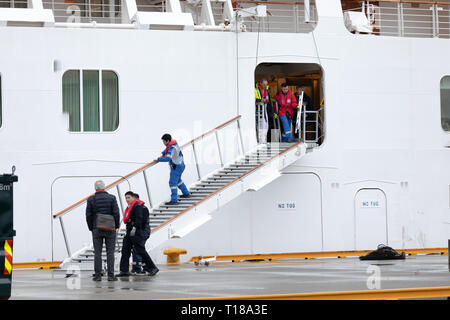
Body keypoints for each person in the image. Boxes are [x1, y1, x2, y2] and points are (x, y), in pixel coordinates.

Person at [117, 191, 159, 277]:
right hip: (129, 232)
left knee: (140, 250)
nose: (127, 199)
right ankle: (124, 270)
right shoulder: (129, 207)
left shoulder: (138, 206)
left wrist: (135, 228)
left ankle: (152, 267)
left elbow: (139, 219)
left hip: (136, 232)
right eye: (126, 198)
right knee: (125, 250)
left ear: (133, 198)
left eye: (128, 197)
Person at [85, 180, 121, 282]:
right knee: (110, 252)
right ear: (104, 187)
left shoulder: (91, 199)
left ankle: (97, 276)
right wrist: (116, 225)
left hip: (97, 228)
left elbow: (88, 215)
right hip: (110, 228)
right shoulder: (112, 198)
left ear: (95, 188)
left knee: (97, 253)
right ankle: (110, 276)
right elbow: (116, 213)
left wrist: (91, 227)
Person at [155, 134, 190, 205]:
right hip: (181, 165)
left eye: (164, 141)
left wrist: (158, 159)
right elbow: (167, 149)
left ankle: (174, 200)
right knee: (178, 181)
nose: (163, 143)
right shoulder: (174, 144)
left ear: (167, 141)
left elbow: (168, 158)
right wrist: (163, 153)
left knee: (172, 183)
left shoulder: (171, 148)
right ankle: (186, 193)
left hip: (176, 167)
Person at [128, 193, 150, 274]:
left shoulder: (142, 208)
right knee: (140, 250)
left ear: (136, 199)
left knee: (137, 250)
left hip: (143, 231)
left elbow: (142, 222)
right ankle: (145, 267)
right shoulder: (137, 208)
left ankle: (137, 268)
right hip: (141, 231)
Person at [255, 78, 275, 142]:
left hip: (265, 110)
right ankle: (261, 141)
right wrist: (260, 100)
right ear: (260, 84)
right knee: (261, 126)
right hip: (258, 110)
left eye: (266, 84)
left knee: (266, 126)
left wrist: (272, 113)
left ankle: (264, 140)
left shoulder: (267, 91)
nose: (265, 86)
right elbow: (252, 99)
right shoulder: (255, 90)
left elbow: (269, 102)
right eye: (264, 84)